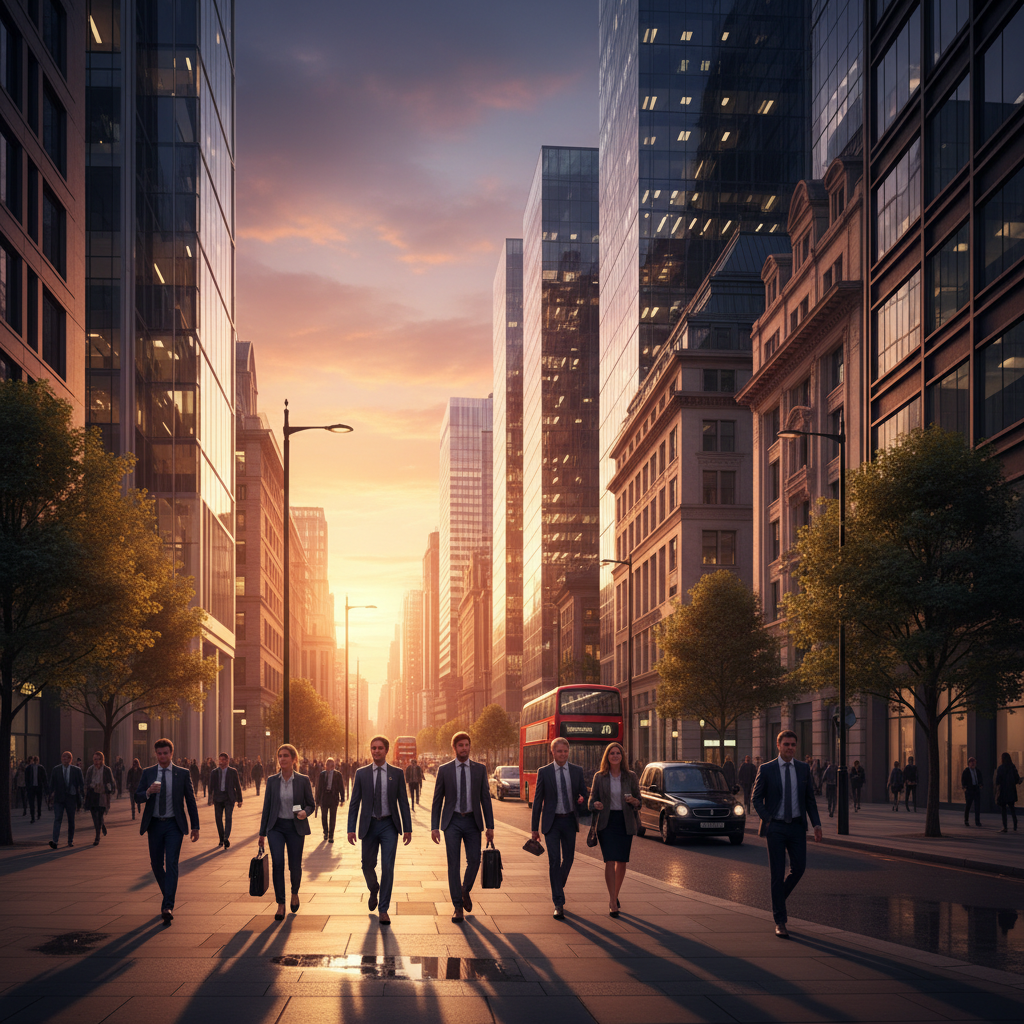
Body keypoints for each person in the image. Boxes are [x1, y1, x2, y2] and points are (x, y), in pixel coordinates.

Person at [752, 729, 822, 939]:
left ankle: (777, 900)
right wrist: (768, 819)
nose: (790, 748)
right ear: (778, 746)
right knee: (777, 873)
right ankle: (780, 921)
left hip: (797, 827)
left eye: (793, 745)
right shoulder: (767, 769)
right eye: (786, 744)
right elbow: (756, 798)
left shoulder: (803, 768)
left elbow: (809, 799)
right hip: (776, 827)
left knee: (799, 868)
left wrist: (816, 824)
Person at [430, 730, 494, 923]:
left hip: (473, 822)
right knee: (453, 864)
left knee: (474, 860)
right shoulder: (444, 770)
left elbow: (485, 799)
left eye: (466, 745)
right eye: (460, 745)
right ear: (454, 748)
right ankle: (458, 907)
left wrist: (490, 826)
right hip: (452, 822)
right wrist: (434, 826)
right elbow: (437, 800)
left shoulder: (480, 769)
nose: (464, 748)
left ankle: (464, 890)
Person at [347, 737, 412, 925]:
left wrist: (407, 828)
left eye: (380, 748)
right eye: (373, 748)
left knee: (388, 867)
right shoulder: (361, 774)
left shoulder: (397, 773)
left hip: (389, 825)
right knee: (367, 865)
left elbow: (403, 802)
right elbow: (354, 803)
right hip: (369, 826)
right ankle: (374, 888)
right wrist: (351, 829)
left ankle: (383, 909)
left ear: (386, 750)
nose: (376, 751)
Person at [135, 738, 200, 924]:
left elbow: (190, 800)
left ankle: (167, 906)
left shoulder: (182, 773)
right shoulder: (148, 773)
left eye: (165, 753)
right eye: (159, 753)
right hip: (154, 825)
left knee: (171, 862)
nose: (162, 756)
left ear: (171, 754)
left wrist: (195, 826)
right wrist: (148, 792)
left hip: (174, 825)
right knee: (156, 864)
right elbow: (137, 796)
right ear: (155, 754)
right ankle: (168, 894)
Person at [530, 738, 589, 919]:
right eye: (559, 751)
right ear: (553, 752)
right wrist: (534, 828)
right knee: (554, 860)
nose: (563, 754)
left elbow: (584, 794)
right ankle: (558, 902)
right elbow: (538, 801)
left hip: (569, 820)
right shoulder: (544, 772)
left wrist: (582, 800)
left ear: (568, 752)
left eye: (565, 751)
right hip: (552, 823)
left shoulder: (577, 771)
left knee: (569, 858)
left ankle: (557, 885)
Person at [259, 744, 315, 921]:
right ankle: (280, 903)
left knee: (294, 865)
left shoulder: (302, 780)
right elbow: (267, 807)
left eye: (285, 756)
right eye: (280, 756)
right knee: (277, 863)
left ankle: (295, 892)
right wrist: (262, 833)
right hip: (276, 827)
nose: (282, 759)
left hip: (295, 827)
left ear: (294, 759)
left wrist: (305, 812)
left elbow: (311, 804)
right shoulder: (272, 781)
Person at [588, 742, 641, 917]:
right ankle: (612, 901)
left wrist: (635, 802)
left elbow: (639, 800)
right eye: (612, 753)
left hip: (625, 821)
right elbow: (591, 801)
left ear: (622, 756)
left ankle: (615, 895)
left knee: (622, 861)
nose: (615, 756)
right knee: (610, 860)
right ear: (607, 756)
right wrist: (595, 804)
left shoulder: (630, 776)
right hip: (607, 822)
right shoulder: (600, 776)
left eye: (618, 753)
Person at [48, 751, 84, 849]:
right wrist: (49, 796)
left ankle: (70, 841)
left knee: (71, 820)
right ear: (61, 758)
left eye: (67, 757)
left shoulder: (76, 770)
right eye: (63, 757)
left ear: (70, 759)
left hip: (71, 798)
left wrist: (81, 798)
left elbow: (81, 784)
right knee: (57, 819)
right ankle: (55, 841)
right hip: (59, 798)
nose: (65, 759)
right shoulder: (56, 770)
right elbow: (52, 784)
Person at [209, 752, 243, 849]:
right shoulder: (214, 772)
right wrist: (210, 798)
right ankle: (221, 838)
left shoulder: (233, 771)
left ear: (227, 761)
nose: (221, 762)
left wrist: (240, 800)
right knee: (218, 819)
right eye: (220, 760)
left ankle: (226, 837)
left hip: (229, 798)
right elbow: (211, 786)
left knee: (228, 818)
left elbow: (237, 785)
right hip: (218, 798)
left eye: (223, 760)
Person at [84, 751, 116, 845]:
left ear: (102, 760)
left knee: (100, 815)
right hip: (92, 794)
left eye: (98, 759)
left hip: (102, 794)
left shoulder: (107, 770)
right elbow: (86, 781)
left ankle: (99, 830)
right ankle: (98, 833)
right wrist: (86, 791)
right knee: (94, 816)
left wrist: (110, 790)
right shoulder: (90, 769)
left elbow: (111, 781)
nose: (96, 761)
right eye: (95, 759)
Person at [316, 757, 346, 843]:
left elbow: (341, 787)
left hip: (333, 798)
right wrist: (317, 800)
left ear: (333, 766)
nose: (327, 767)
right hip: (324, 797)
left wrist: (342, 798)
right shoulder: (322, 774)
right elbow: (319, 788)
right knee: (324, 816)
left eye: (329, 765)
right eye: (327, 765)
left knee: (333, 817)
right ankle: (325, 832)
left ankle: (331, 835)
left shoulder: (338, 774)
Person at [994, 752, 1020, 833]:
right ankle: (1015, 825)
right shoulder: (1012, 767)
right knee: (1012, 808)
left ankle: (1005, 827)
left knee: (1004, 810)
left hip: (1003, 791)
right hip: (1011, 791)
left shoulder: (1001, 768)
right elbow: (1017, 779)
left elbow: (997, 781)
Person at [25, 756, 47, 823]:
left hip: (37, 787)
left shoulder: (40, 768)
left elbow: (44, 778)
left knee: (37, 801)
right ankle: (33, 816)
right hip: (32, 787)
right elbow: (26, 779)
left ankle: (37, 814)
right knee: (33, 802)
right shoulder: (29, 768)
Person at [962, 756, 983, 826]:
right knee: (968, 805)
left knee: (977, 806)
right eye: (971, 762)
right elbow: (963, 779)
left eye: (974, 762)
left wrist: (981, 784)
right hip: (969, 790)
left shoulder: (977, 771)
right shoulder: (966, 771)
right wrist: (964, 786)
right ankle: (966, 820)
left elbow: (980, 778)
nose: (973, 764)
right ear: (969, 763)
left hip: (976, 789)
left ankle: (977, 821)